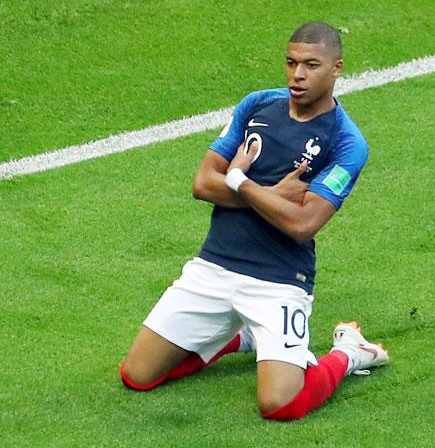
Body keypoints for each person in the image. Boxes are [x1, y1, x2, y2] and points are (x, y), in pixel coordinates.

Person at [119, 21, 389, 421]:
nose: (297, 75)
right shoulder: (257, 105)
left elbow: (302, 224)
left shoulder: (347, 143)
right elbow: (202, 183)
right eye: (291, 62)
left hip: (278, 281)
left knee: (280, 404)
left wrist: (241, 181)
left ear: (337, 69)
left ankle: (348, 352)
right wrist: (269, 195)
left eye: (311, 65)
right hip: (213, 267)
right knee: (136, 375)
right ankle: (238, 336)